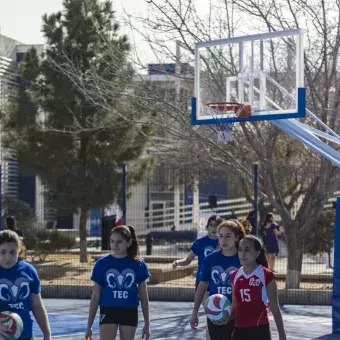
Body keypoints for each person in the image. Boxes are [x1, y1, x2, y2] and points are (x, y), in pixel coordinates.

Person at [86, 225, 150, 340]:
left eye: (119, 242)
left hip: (129, 312)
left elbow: (144, 297)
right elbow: (95, 296)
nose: (115, 245)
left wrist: (147, 324)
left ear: (129, 243)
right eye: (112, 241)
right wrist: (89, 326)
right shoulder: (102, 264)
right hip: (108, 310)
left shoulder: (139, 265)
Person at [190, 220, 246, 340]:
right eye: (221, 236)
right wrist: (194, 312)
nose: (224, 240)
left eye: (228, 236)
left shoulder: (243, 260)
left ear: (237, 237)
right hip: (215, 313)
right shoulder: (210, 259)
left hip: (239, 314)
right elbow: (202, 286)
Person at [173, 215, 222, 340]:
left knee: (223, 317)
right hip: (204, 282)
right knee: (212, 316)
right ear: (207, 227)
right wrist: (178, 262)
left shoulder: (225, 242)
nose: (214, 228)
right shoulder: (200, 243)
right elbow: (188, 260)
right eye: (211, 225)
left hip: (221, 282)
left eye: (217, 225)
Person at [230, 235, 286, 340]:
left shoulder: (266, 275)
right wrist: (223, 319)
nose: (242, 253)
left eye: (247, 250)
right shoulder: (234, 275)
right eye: (240, 250)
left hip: (260, 329)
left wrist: (282, 334)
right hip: (238, 330)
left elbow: (274, 306)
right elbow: (234, 304)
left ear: (257, 253)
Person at [0, 230, 51, 340]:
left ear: (19, 250)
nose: (7, 257)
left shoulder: (28, 271)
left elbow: (37, 306)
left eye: (12, 252)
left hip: (26, 335)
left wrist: (47, 334)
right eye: (3, 252)